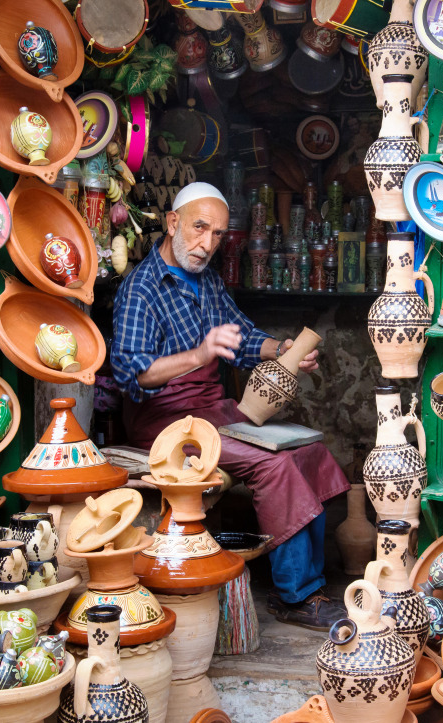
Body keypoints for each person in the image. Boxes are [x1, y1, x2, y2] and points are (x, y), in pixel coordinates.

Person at [111, 182, 351, 631]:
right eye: (200, 228)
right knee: (273, 466)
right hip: (166, 425)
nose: (207, 244)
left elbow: (241, 338)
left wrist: (283, 348)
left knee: (305, 450)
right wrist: (199, 355)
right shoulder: (141, 289)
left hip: (215, 412)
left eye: (219, 234)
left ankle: (313, 580)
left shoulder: (209, 281)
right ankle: (297, 596)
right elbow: (133, 374)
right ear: (172, 222)